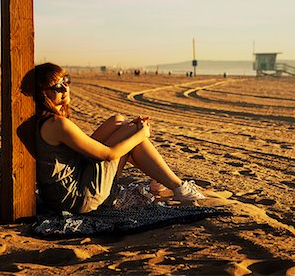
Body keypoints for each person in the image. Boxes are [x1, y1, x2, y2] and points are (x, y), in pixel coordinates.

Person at [34, 63, 205, 214]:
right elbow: (108, 154)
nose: (65, 89)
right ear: (42, 94)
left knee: (118, 120)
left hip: (64, 193)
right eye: (57, 87)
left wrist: (129, 129)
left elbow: (83, 152)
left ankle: (162, 180)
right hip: (77, 199)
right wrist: (141, 134)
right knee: (133, 136)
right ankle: (177, 186)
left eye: (66, 81)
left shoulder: (48, 120)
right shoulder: (58, 124)